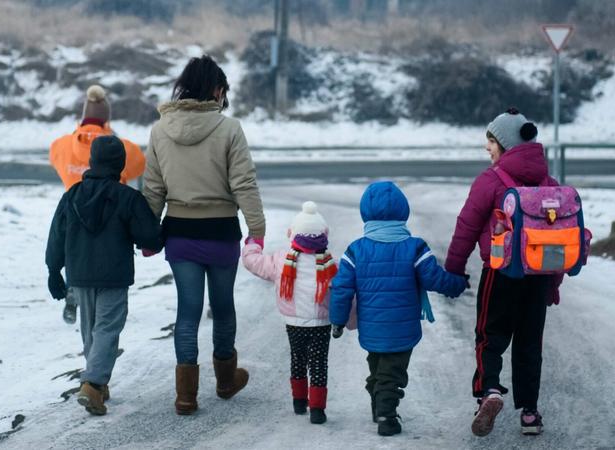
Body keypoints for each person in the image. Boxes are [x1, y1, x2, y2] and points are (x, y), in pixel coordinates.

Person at [142, 55, 266, 415]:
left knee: (187, 311)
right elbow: (243, 183)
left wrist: (149, 233)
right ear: (215, 89)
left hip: (180, 234)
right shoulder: (229, 129)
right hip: (221, 233)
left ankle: (186, 396)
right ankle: (226, 381)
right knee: (223, 309)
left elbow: (153, 189)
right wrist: (256, 229)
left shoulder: (159, 130)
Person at [445, 108, 560, 437]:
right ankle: (530, 414)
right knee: (529, 344)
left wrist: (454, 269)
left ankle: (489, 392)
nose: (487, 148)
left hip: (499, 273)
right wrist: (553, 283)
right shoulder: (548, 183)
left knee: (489, 337)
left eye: (492, 141)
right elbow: (556, 238)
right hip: (537, 276)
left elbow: (466, 228)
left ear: (507, 144)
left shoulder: (490, 180)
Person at [329, 181, 468, 437]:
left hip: (371, 328)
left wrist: (337, 321)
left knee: (379, 366)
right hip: (403, 329)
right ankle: (386, 416)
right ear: (403, 211)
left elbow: (341, 288)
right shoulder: (414, 247)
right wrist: (458, 284)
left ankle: (378, 397)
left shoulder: (356, 250)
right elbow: (434, 278)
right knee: (393, 373)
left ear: (365, 213)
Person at [45, 135, 162, 416]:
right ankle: (93, 383)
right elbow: (150, 237)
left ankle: (97, 383)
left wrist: (53, 270)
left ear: (92, 161)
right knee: (107, 329)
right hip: (113, 275)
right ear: (120, 165)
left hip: (80, 275)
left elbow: (56, 235)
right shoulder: (127, 198)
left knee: (91, 331)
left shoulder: (71, 195)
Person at [49, 84, 146, 325]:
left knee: (76, 252)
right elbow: (139, 165)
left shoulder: (62, 145)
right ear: (106, 117)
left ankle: (74, 290)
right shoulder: (120, 148)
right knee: (106, 260)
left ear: (83, 115)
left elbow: (54, 155)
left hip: (75, 211)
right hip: (112, 212)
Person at [242, 201, 337, 425]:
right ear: (324, 234)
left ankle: (298, 401)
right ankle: (317, 410)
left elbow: (252, 262)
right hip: (321, 324)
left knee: (298, 358)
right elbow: (343, 292)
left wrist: (252, 244)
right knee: (319, 364)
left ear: (292, 233)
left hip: (293, 323)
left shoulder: (282, 260)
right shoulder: (331, 263)